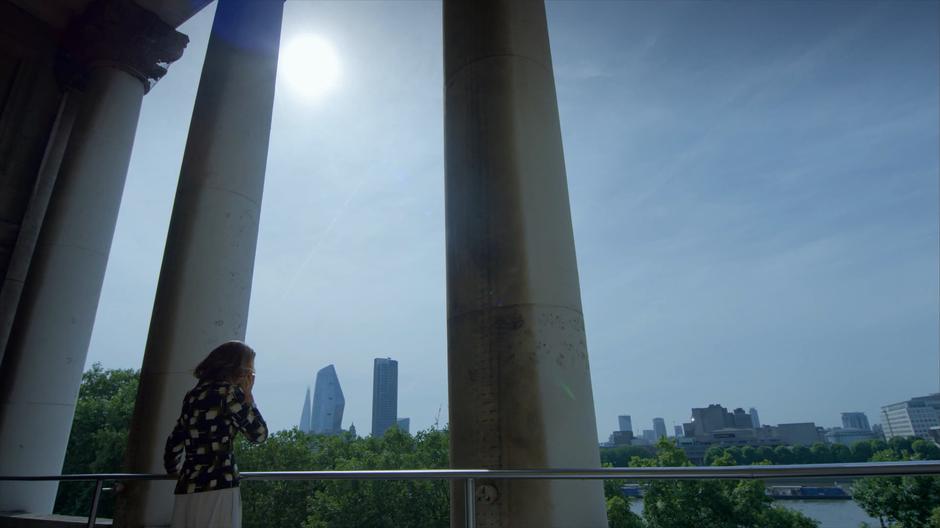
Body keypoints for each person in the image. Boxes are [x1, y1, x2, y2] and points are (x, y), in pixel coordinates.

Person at [164, 340, 268, 528]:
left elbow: (174, 440)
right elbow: (258, 434)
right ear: (238, 369)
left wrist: (173, 470)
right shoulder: (229, 393)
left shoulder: (193, 395)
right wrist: (249, 399)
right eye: (249, 370)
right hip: (219, 485)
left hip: (187, 487)